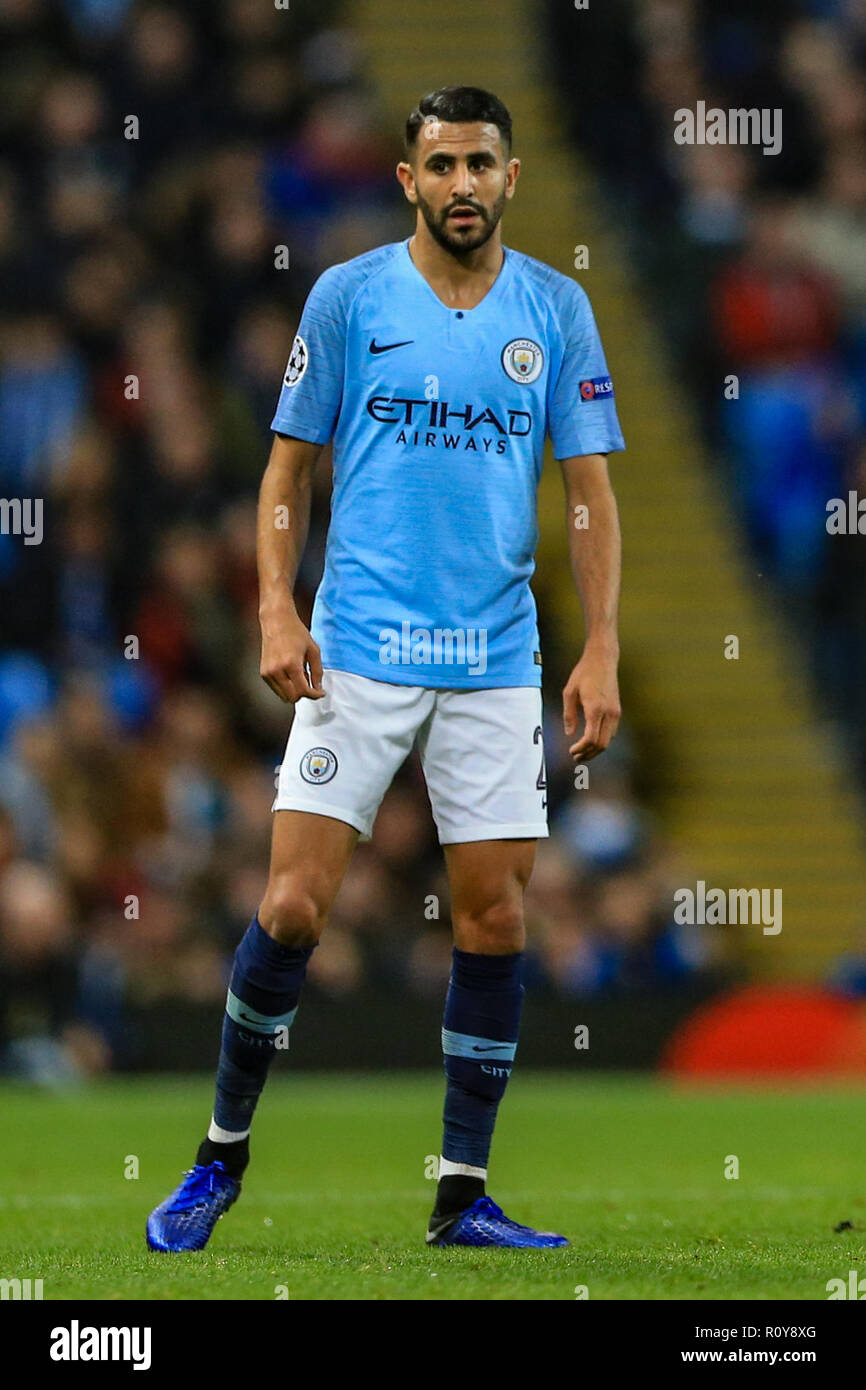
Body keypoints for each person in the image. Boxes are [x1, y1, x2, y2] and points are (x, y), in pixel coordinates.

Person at [147, 84, 625, 1252]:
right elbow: (283, 476)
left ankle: (460, 1192)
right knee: (293, 902)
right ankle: (219, 1159)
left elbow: (589, 496)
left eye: (481, 164)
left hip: (494, 657)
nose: (462, 183)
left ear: (512, 179)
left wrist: (599, 643)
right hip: (356, 645)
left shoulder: (555, 310)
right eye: (441, 164)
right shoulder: (349, 296)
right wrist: (274, 606)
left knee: (495, 918)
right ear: (406, 179)